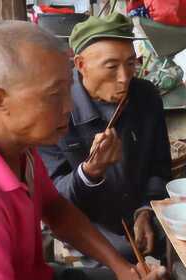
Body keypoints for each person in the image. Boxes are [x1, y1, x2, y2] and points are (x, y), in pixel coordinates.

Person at [0, 21, 173, 280]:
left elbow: (57, 210)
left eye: (67, 90)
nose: (69, 107)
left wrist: (123, 272)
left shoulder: (12, 139)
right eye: (54, 95)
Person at [39, 13, 172, 263]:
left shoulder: (146, 97)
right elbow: (53, 199)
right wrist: (90, 171)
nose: (124, 77)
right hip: (84, 220)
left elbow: (160, 167)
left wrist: (145, 211)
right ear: (80, 64)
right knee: (122, 256)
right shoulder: (54, 109)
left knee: (185, 240)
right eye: (111, 67)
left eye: (131, 63)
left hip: (138, 208)